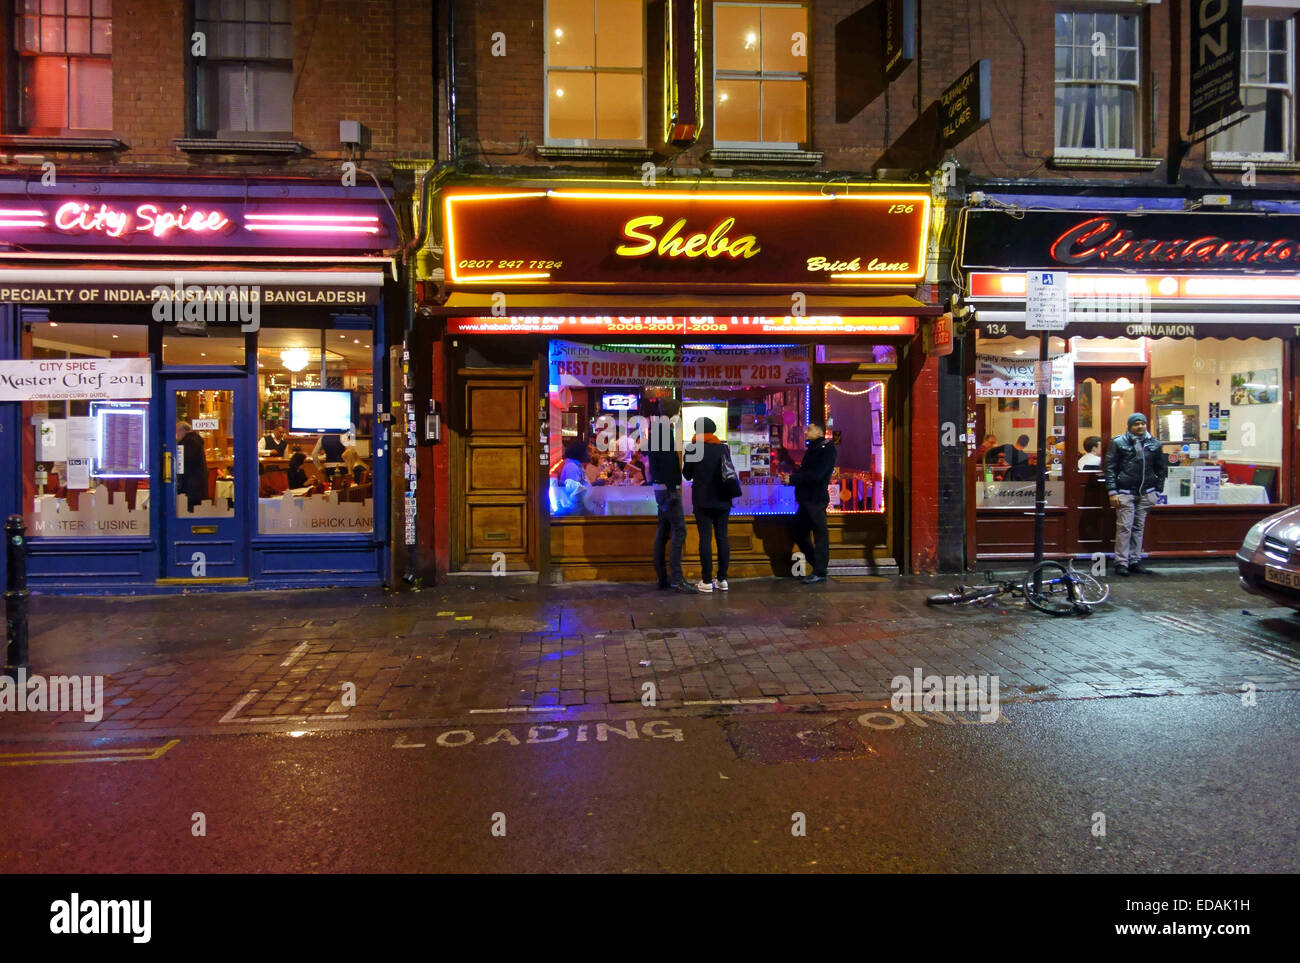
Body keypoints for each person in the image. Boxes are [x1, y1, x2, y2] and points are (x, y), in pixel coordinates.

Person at [1105, 412, 1168, 575]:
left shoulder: (1154, 443)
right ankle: (1121, 562)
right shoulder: (1118, 442)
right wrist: (1112, 491)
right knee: (1125, 527)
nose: (1140, 426)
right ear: (1129, 426)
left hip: (1147, 492)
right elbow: (1110, 468)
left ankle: (1135, 560)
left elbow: (1162, 468)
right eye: (1136, 424)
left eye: (1143, 423)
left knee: (1139, 527)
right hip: (1125, 491)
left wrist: (1157, 490)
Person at [647, 400, 696, 594]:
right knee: (679, 530)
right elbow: (667, 464)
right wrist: (673, 489)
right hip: (668, 489)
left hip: (661, 488)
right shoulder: (663, 432)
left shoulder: (657, 430)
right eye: (678, 412)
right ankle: (677, 579)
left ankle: (663, 577)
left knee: (663, 531)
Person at [682, 416, 733, 593]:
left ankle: (706, 581)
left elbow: (687, 475)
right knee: (722, 537)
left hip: (703, 499)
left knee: (705, 538)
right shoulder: (723, 448)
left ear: (697, 430)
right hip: (723, 498)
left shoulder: (693, 448)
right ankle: (723, 579)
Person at [786, 422, 837, 584]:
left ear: (820, 432)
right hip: (806, 499)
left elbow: (816, 474)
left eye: (810, 429)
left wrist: (793, 479)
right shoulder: (815, 448)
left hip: (815, 499)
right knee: (799, 532)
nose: (806, 432)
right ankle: (818, 565)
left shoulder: (826, 450)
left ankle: (820, 570)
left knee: (820, 534)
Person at [175, 421, 208, 512]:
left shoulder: (190, 442)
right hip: (196, 485)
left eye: (176, 432)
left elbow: (186, 461)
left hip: (191, 486)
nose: (176, 435)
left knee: (190, 511)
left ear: (182, 431)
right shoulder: (194, 441)